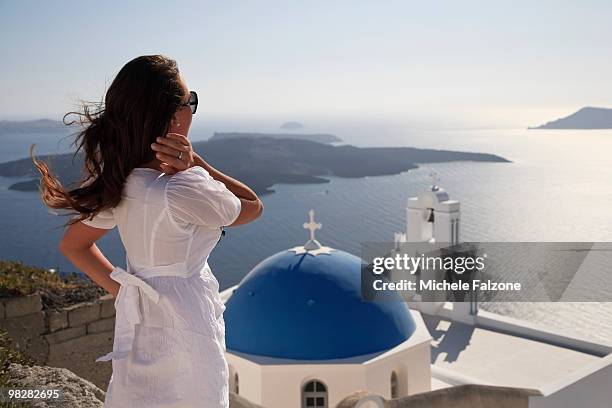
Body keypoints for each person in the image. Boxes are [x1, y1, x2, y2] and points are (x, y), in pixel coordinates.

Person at [31, 55, 263, 407]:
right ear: (173, 118)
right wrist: (195, 162)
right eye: (191, 102)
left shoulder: (119, 179)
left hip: (140, 319)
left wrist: (124, 292)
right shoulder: (181, 188)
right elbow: (251, 205)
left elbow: (74, 246)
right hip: (188, 322)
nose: (192, 110)